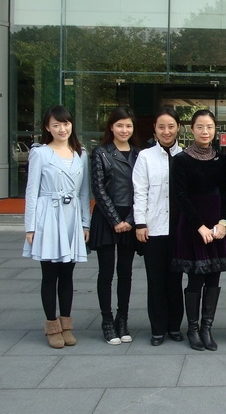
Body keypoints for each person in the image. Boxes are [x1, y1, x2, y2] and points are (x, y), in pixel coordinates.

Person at [23, 105, 90, 349]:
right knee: (50, 274)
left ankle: (66, 324)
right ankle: (52, 325)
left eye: (66, 124)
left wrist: (85, 223)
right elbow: (32, 191)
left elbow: (84, 192)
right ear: (47, 127)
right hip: (48, 217)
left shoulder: (81, 153)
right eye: (56, 125)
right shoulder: (40, 153)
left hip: (71, 217)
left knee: (68, 274)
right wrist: (30, 227)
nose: (62, 129)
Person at [172, 110, 226, 351]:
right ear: (191, 130)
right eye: (200, 127)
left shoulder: (221, 159)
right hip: (192, 226)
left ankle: (207, 328)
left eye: (209, 127)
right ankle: (193, 329)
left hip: (216, 227)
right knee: (196, 278)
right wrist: (200, 227)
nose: (205, 131)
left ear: (215, 129)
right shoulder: (181, 159)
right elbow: (180, 196)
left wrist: (223, 223)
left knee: (214, 278)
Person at [88, 106, 140, 345]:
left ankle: (123, 319)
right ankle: (107, 320)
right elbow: (98, 189)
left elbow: (143, 190)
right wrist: (115, 220)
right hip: (107, 218)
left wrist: (129, 220)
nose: (124, 130)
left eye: (128, 125)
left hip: (130, 217)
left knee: (126, 272)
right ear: (111, 127)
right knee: (106, 273)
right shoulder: (101, 152)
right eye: (119, 125)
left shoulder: (140, 154)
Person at [133, 107, 184, 346]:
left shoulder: (185, 155)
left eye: (171, 126)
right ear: (154, 129)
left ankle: (174, 326)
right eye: (161, 126)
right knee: (155, 280)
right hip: (153, 228)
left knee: (175, 279)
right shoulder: (145, 157)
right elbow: (139, 192)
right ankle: (158, 328)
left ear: (178, 128)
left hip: (179, 229)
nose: (166, 131)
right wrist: (140, 223)